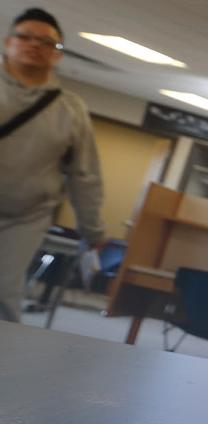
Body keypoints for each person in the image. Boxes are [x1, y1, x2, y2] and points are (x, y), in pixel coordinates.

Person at [0, 7, 102, 324]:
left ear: (57, 55)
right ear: (7, 42)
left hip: (25, 216)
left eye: (46, 42)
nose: (34, 45)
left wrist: (92, 230)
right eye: (25, 37)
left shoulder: (70, 109)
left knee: (4, 294)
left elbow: (85, 174)